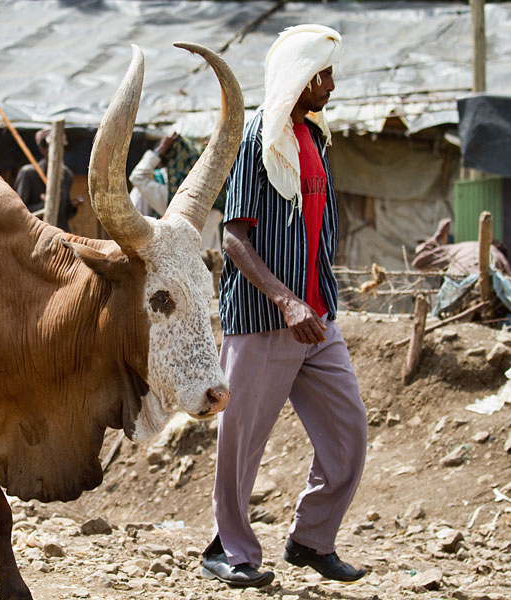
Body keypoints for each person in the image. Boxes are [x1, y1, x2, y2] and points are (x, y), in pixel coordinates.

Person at [201, 24, 367, 588]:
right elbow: (233, 238)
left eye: (329, 73)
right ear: (297, 78)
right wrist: (285, 300)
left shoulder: (314, 140)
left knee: (348, 433)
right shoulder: (257, 139)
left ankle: (311, 539)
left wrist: (311, 303)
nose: (330, 85)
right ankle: (229, 547)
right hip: (264, 320)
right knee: (241, 442)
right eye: (321, 74)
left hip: (318, 318)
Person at [129, 131, 224, 253]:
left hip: (179, 266)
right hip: (208, 268)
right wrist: (212, 155)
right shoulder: (216, 197)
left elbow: (137, 176)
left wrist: (160, 149)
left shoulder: (172, 200)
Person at [13, 128, 81, 232]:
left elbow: (64, 214)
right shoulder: (29, 173)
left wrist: (72, 206)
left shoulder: (66, 175)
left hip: (61, 235)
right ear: (42, 149)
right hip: (36, 235)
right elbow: (19, 212)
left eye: (61, 147)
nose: (59, 151)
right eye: (54, 148)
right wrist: (44, 205)